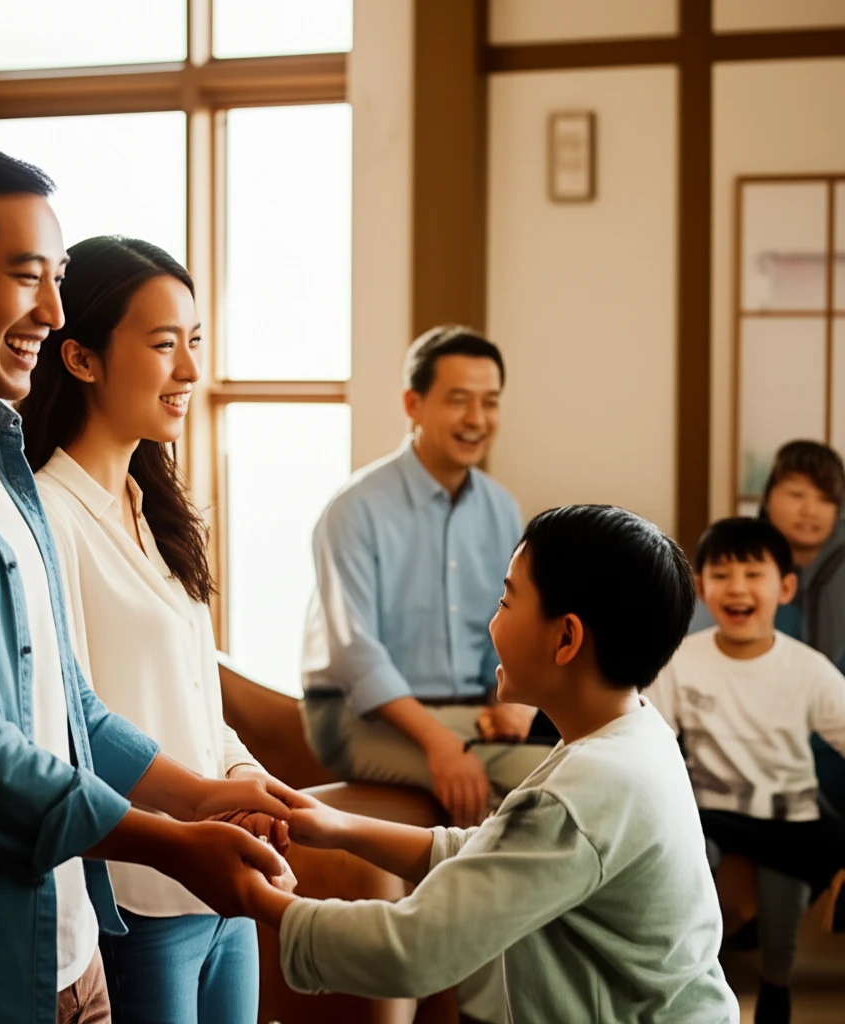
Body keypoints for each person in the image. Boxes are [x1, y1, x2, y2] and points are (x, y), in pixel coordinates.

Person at [0, 140, 296, 1024]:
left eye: (61, 276)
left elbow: (65, 704)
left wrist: (201, 795)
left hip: (68, 954)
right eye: (27, 275)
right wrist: (169, 841)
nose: (54, 309)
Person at [247, 505, 738, 1024]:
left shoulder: (585, 791)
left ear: (566, 639)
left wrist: (260, 901)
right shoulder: (633, 733)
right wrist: (341, 828)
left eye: (506, 601)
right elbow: (499, 850)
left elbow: (415, 950)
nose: (492, 622)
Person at [18, 235, 286, 1024]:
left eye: (195, 342)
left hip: (221, 890)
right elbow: (75, 722)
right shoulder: (47, 517)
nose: (191, 372)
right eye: (164, 344)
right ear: (81, 359)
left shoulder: (153, 508)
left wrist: (241, 778)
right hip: (138, 902)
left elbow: (195, 691)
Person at [301, 325, 555, 832]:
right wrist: (442, 744)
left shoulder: (501, 508)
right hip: (359, 717)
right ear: (413, 404)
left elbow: (508, 624)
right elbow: (356, 654)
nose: (476, 420)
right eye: (458, 401)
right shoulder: (355, 509)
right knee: (546, 786)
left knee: (577, 764)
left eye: (490, 402)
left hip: (467, 714)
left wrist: (511, 706)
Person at [651, 517, 845, 1024]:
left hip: (790, 820)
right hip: (711, 816)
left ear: (784, 586)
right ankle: (696, 989)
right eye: (722, 573)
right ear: (700, 586)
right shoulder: (679, 661)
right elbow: (649, 741)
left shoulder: (808, 669)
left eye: (752, 573)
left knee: (782, 922)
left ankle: (775, 990)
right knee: (687, 854)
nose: (736, 587)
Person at [760, 440, 845, 817]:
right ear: (768, 497)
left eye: (825, 499)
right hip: (760, 739)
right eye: (796, 494)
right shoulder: (741, 562)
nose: (810, 510)